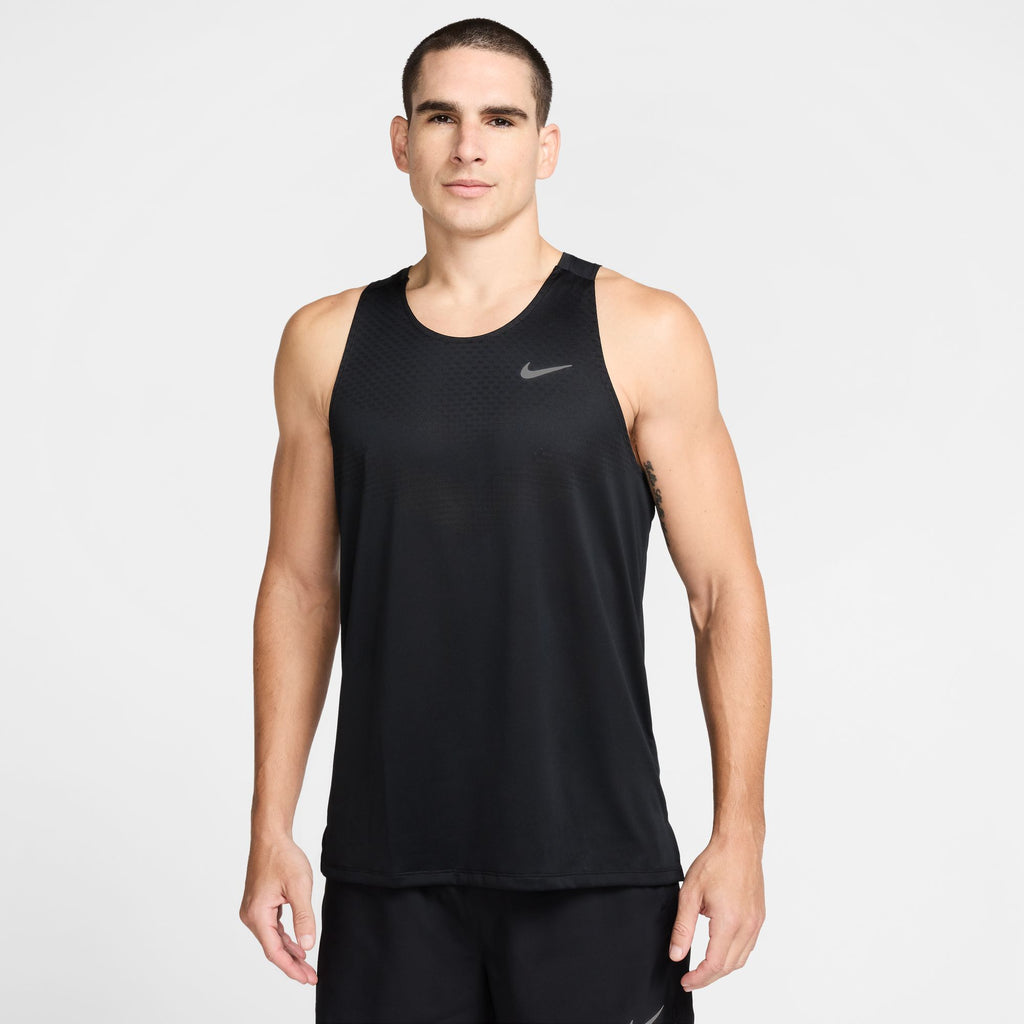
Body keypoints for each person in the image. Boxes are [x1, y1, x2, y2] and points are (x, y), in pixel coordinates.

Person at [238, 17, 770, 1024]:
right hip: (389, 867)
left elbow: (722, 593)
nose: (469, 147)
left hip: (596, 863)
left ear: (545, 145)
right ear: (402, 142)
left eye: (501, 119)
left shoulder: (642, 330)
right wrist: (271, 826)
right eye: (441, 117)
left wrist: (738, 832)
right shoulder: (325, 341)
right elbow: (300, 589)